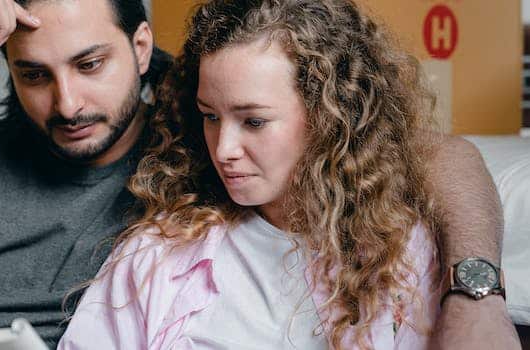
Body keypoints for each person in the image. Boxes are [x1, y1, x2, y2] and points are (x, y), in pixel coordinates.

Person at [0, 0, 515, 348]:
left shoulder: (194, 133)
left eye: (90, 64)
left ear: (142, 46)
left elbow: (432, 153)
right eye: (34, 75)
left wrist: (475, 291)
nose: (67, 103)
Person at [57, 0, 519, 349]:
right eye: (210, 116)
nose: (224, 149)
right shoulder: (157, 255)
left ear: (329, 116)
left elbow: (452, 155)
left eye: (254, 121)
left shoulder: (406, 253)